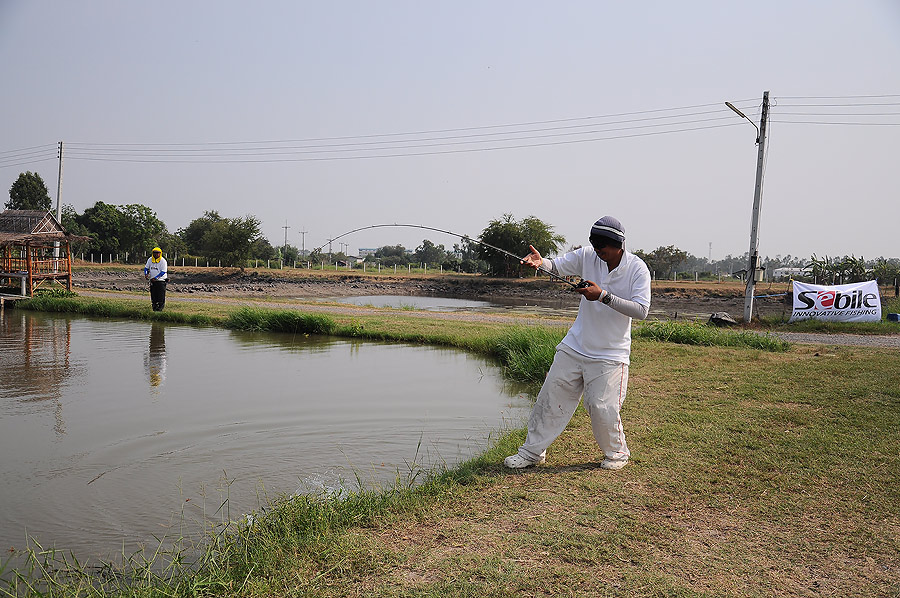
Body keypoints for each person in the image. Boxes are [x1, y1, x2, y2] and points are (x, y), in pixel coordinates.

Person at [504, 216, 651, 471]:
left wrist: (602, 296)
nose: (598, 253)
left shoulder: (638, 269)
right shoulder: (588, 255)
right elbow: (557, 265)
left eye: (602, 248)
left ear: (619, 245)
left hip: (610, 353)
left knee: (601, 407)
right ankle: (532, 452)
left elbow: (641, 310)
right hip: (575, 345)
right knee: (549, 399)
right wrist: (541, 263)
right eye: (594, 247)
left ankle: (617, 454)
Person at [144, 246, 168, 311]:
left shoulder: (163, 261)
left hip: (161, 281)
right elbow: (146, 268)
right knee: (153, 296)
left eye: (158, 253)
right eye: (154, 253)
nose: (156, 254)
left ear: (160, 253)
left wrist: (156, 278)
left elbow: (163, 272)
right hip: (152, 281)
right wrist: (146, 274)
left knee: (160, 296)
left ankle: (160, 310)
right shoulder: (150, 259)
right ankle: (154, 308)